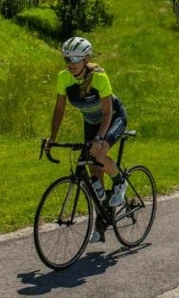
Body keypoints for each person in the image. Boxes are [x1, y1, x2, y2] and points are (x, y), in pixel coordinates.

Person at [44, 36, 129, 243]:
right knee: (93, 169)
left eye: (75, 58)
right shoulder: (64, 78)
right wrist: (52, 138)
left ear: (86, 58)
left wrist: (100, 138)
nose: (70, 63)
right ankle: (101, 221)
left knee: (99, 154)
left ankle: (120, 181)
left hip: (113, 118)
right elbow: (59, 109)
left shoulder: (100, 78)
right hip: (91, 122)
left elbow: (108, 112)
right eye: (67, 59)